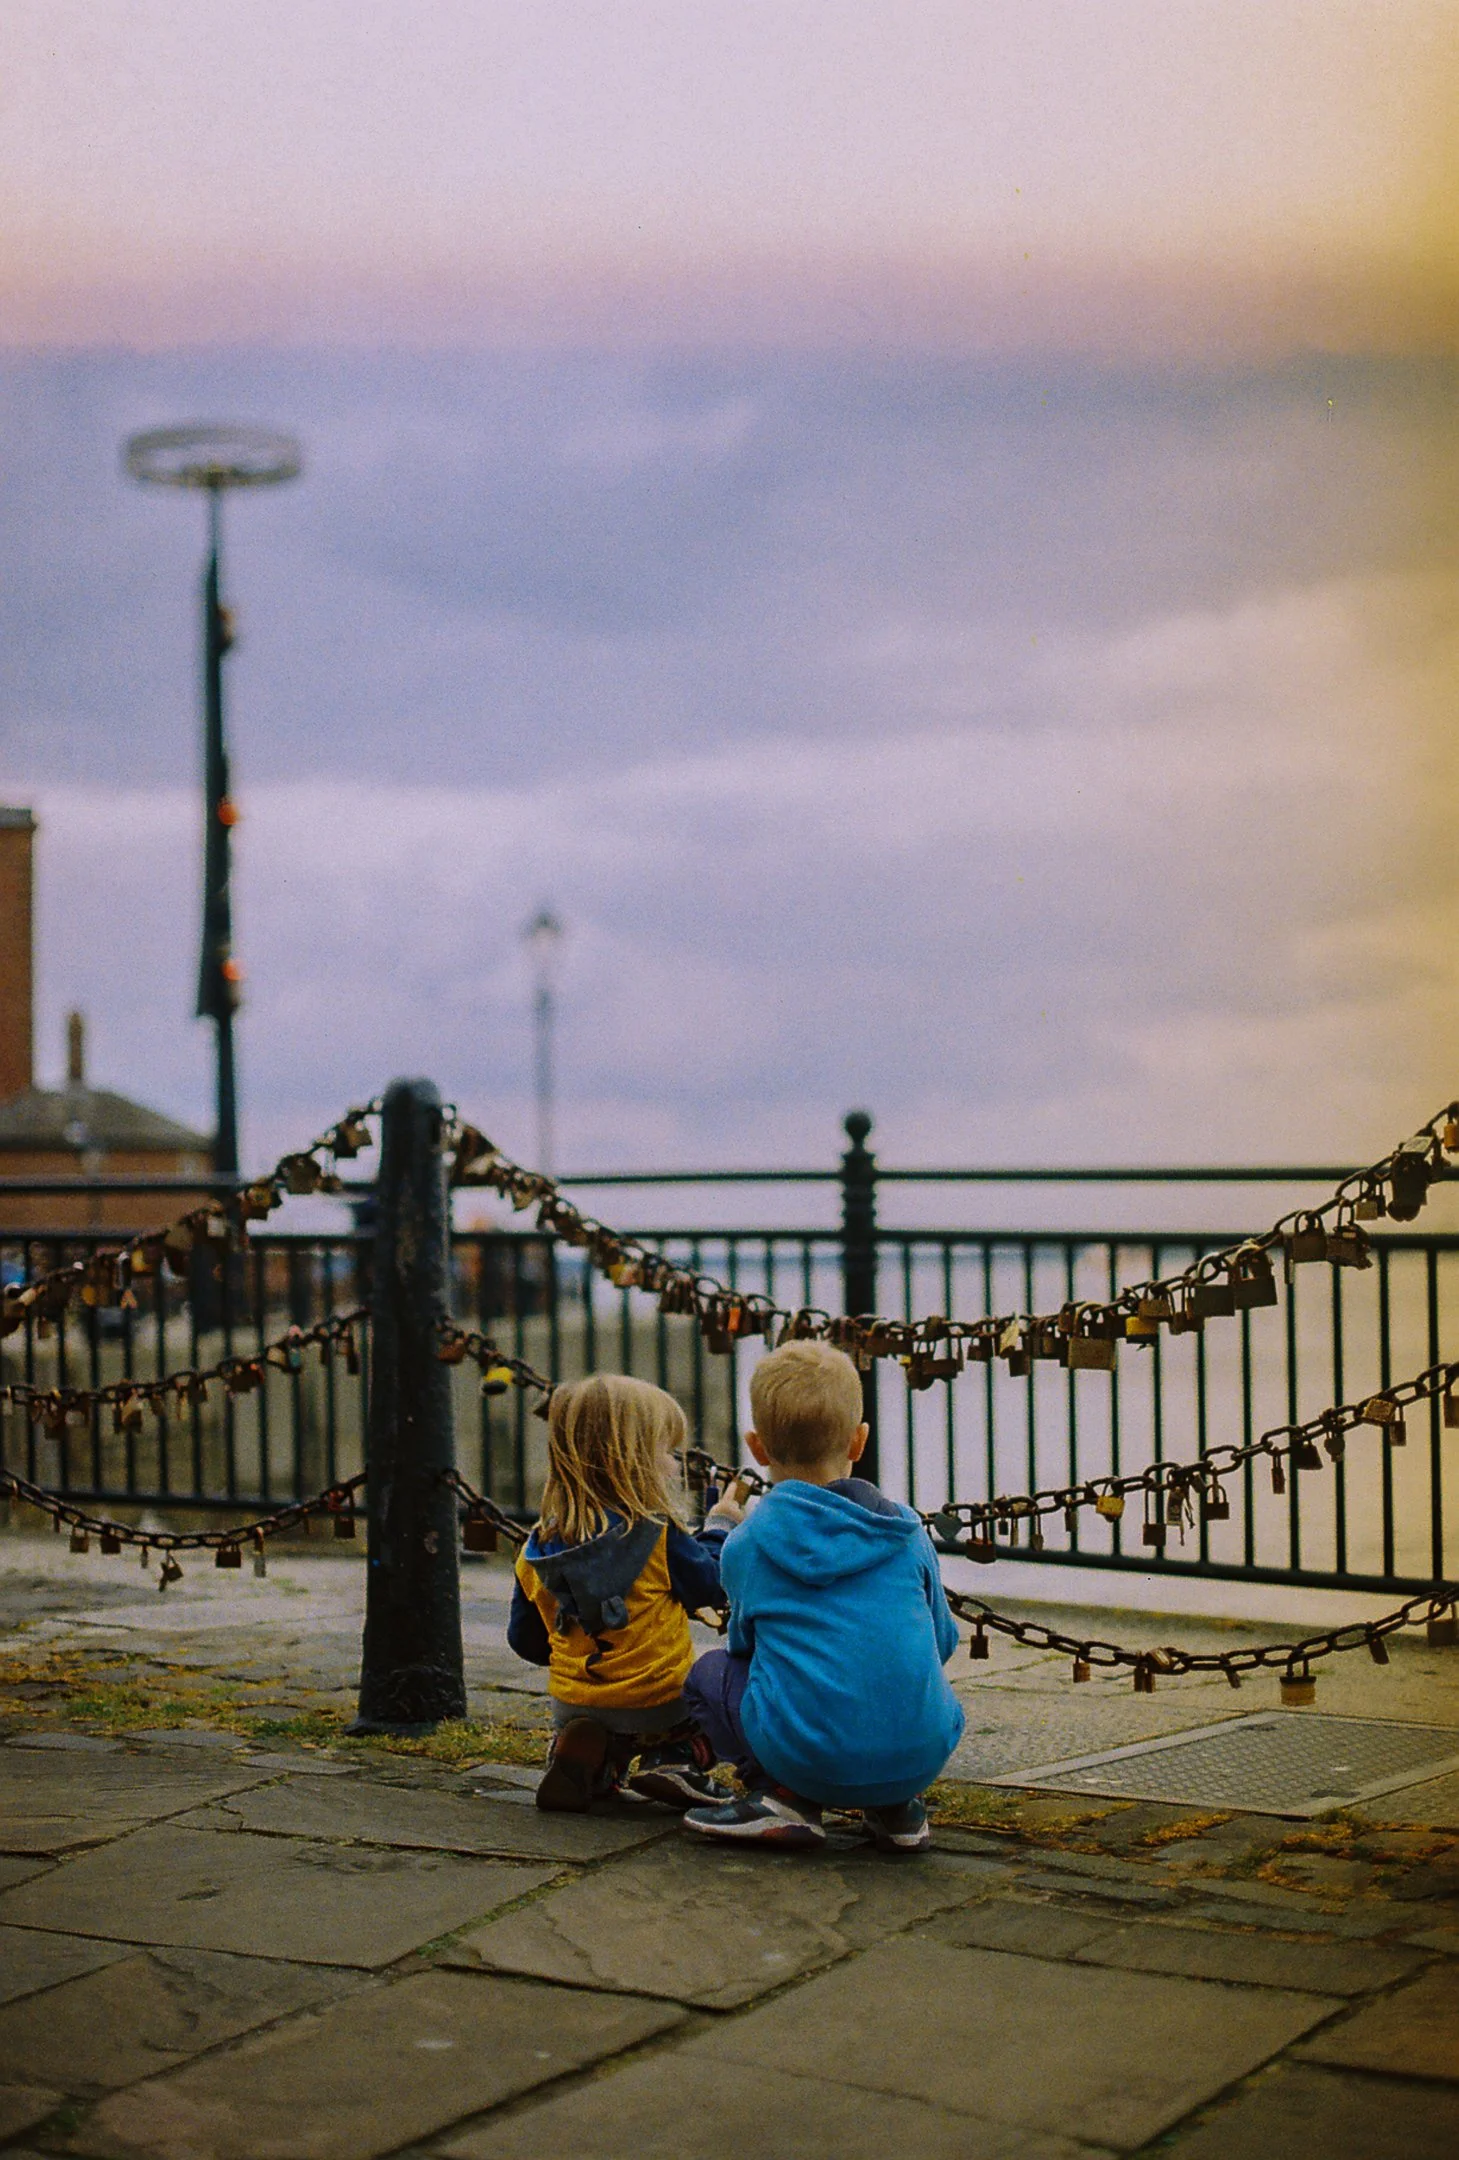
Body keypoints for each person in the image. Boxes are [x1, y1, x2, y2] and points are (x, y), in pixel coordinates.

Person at [681, 1339, 965, 1852]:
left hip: (807, 1757)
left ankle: (782, 1797)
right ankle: (897, 1811)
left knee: (707, 1673)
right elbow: (942, 1641)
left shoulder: (748, 1543)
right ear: (859, 1442)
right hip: (919, 1758)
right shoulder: (906, 1532)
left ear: (757, 1447)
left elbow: (745, 1648)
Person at [507, 1372, 740, 1812]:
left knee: (597, 1727)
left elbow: (525, 1641)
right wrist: (721, 1525)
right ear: (633, 1460)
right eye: (667, 1452)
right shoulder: (656, 1536)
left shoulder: (534, 1549)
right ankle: (673, 1761)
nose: (675, 1464)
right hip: (659, 1705)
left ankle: (590, 1761)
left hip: (572, 1702)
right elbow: (710, 1582)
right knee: (712, 1700)